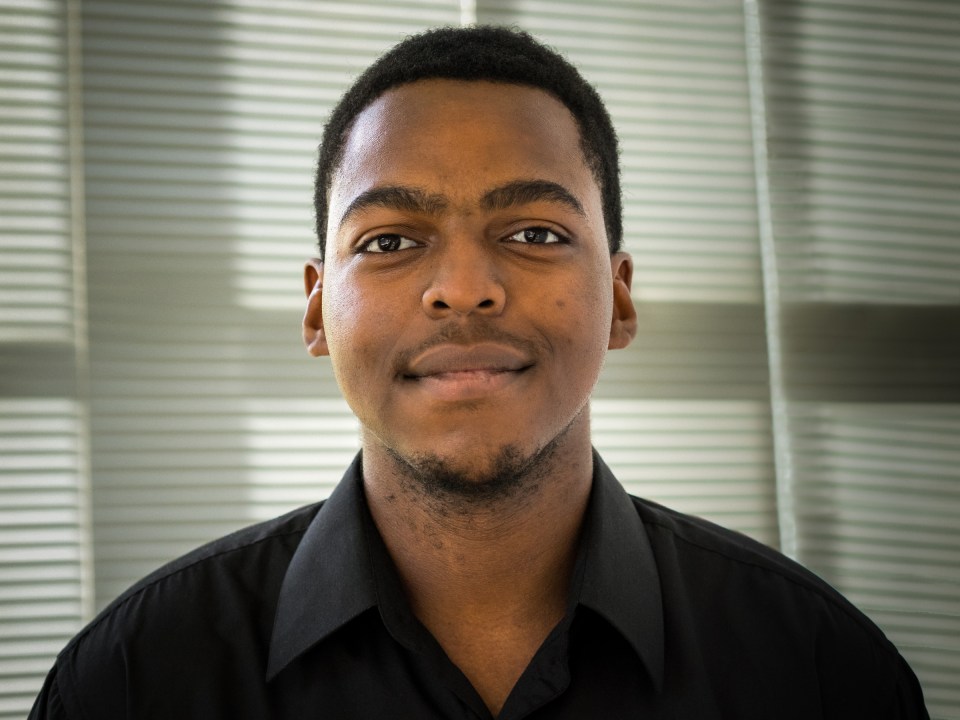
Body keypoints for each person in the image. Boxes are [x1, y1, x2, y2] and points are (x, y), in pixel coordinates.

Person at [30, 25, 928, 720]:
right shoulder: (131, 680)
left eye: (535, 233)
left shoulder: (819, 669)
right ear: (315, 309)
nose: (463, 289)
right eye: (389, 241)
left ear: (618, 297)